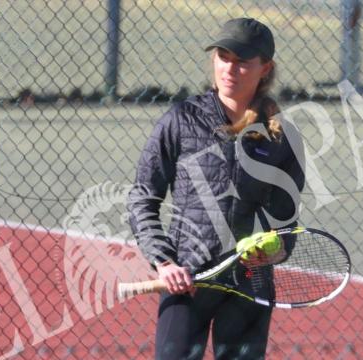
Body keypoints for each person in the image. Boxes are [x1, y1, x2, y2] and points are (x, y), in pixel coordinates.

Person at [128, 18, 305, 359]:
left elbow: (286, 219)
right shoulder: (180, 120)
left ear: (264, 68)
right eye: (223, 57)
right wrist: (165, 262)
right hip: (187, 277)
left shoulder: (283, 137)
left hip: (250, 281)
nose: (230, 68)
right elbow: (143, 197)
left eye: (242, 62)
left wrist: (277, 249)